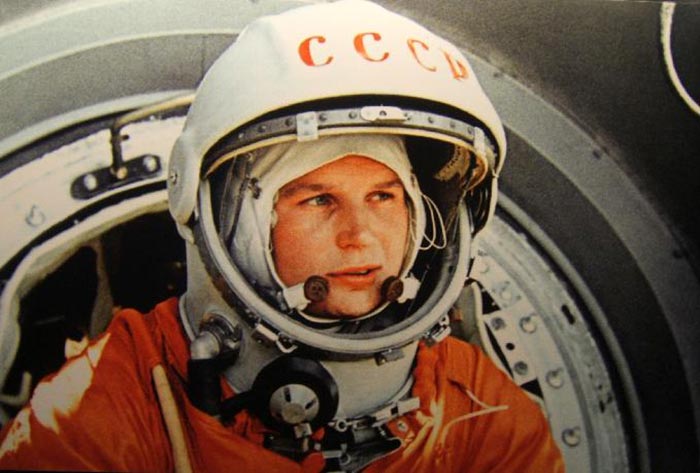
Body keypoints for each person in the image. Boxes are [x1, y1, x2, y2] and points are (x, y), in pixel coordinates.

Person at [0, 1, 564, 471]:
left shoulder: (480, 415)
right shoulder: (103, 416)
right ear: (240, 225)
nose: (359, 236)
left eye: (383, 197)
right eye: (318, 200)